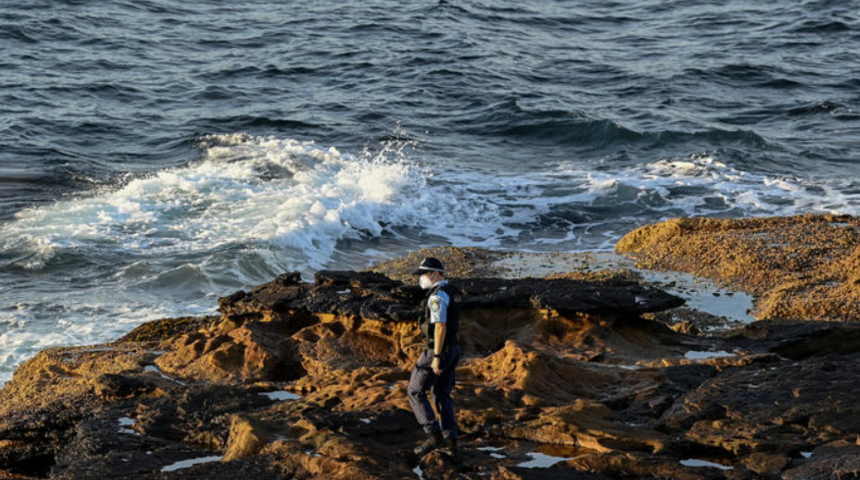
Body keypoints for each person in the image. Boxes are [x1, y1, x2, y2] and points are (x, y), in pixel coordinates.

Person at [408, 257, 462, 456]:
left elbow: (440, 326)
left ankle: (434, 436)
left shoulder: (437, 296)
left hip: (438, 351)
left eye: (423, 274)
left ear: (435, 274)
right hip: (454, 349)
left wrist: (437, 356)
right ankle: (451, 440)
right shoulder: (453, 292)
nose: (421, 278)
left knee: (415, 391)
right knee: (441, 393)